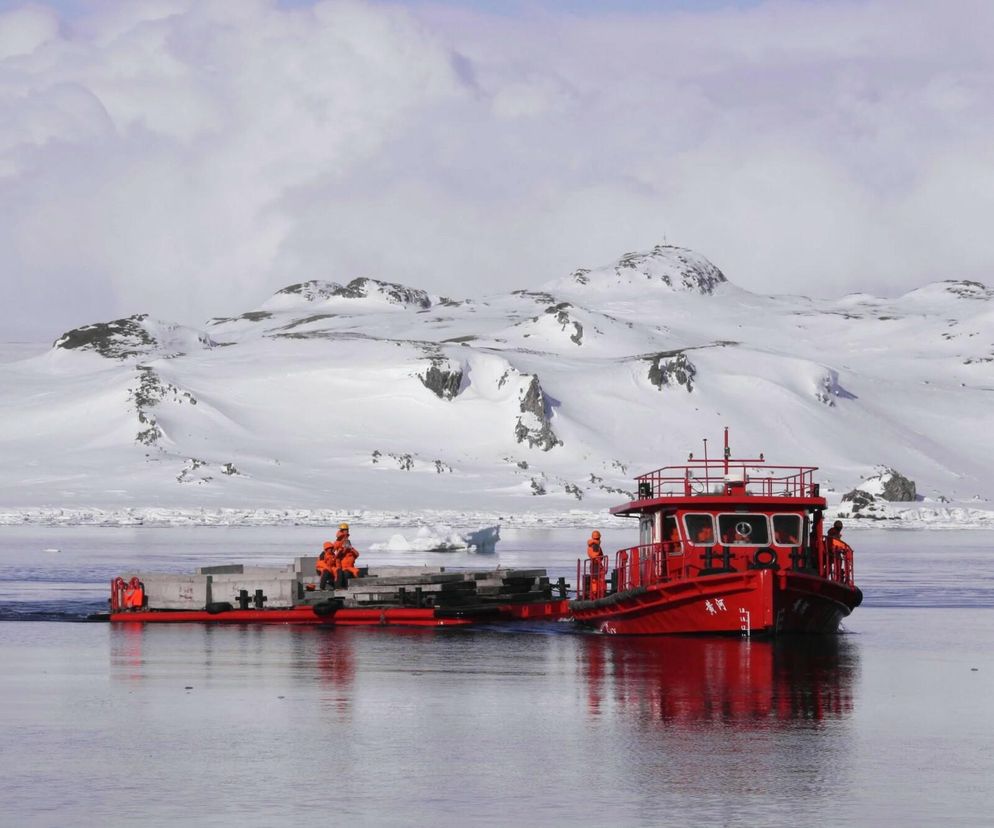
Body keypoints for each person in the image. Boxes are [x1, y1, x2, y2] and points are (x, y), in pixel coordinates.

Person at [587, 530, 606, 599]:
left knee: (596, 579)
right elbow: (595, 555)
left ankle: (597, 593)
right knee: (595, 580)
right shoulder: (595, 546)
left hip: (595, 564)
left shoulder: (593, 545)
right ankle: (596, 594)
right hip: (595, 564)